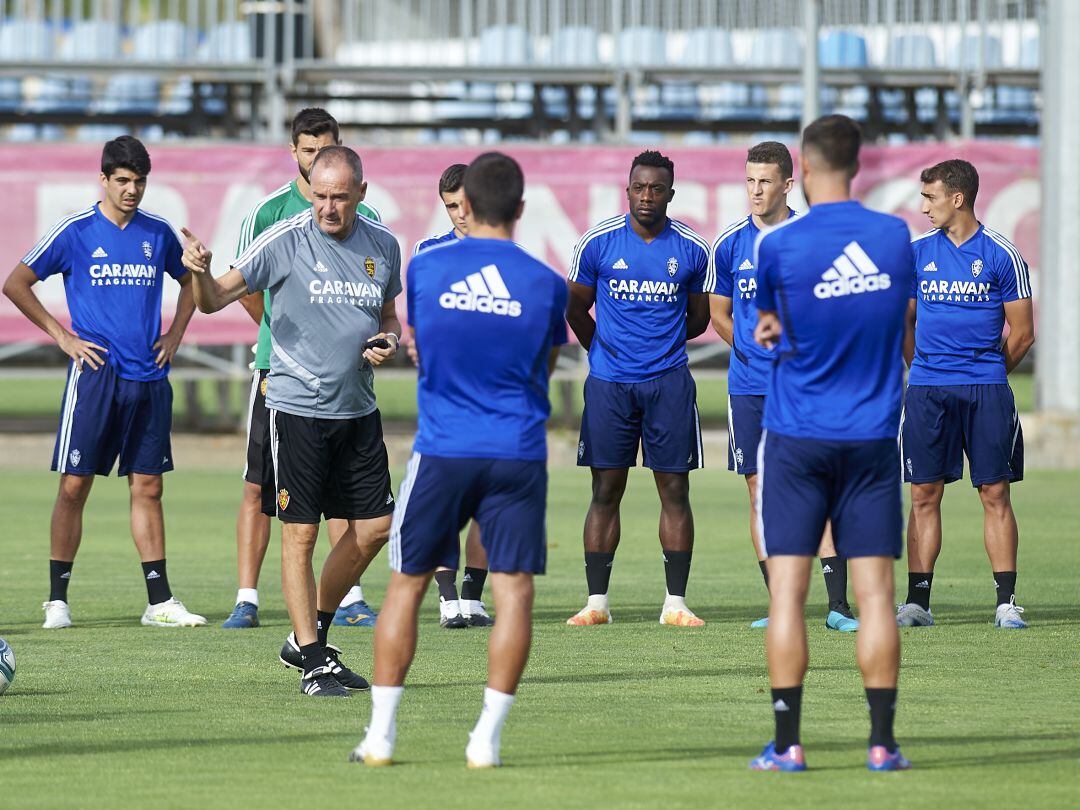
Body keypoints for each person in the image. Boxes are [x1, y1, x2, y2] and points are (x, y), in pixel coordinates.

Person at [351, 152, 566, 768]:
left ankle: (382, 737)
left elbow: (423, 348)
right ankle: (486, 741)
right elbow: (543, 368)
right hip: (518, 452)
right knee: (515, 593)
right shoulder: (548, 286)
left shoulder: (426, 270)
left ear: (464, 205)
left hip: (444, 447)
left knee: (405, 587)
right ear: (521, 210)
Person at [182, 146, 400, 697]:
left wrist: (390, 341)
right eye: (320, 196)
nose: (328, 207)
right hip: (297, 408)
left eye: (339, 198)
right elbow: (213, 301)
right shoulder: (285, 240)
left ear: (361, 195)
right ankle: (313, 664)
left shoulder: (384, 245)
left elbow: (389, 316)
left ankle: (311, 635)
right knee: (300, 535)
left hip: (360, 410)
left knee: (375, 529)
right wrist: (201, 276)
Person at [748, 115, 913, 772]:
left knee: (788, 594)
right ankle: (883, 743)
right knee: (875, 594)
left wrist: (776, 329)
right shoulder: (896, 237)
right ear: (860, 165)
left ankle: (788, 744)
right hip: (872, 438)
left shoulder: (778, 246)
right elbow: (895, 316)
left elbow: (767, 324)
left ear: (805, 170)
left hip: (796, 437)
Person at [3, 135, 205, 629]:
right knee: (75, 485)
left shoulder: (157, 234)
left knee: (148, 486)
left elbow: (190, 283)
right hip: (96, 377)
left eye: (139, 182)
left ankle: (159, 602)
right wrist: (64, 338)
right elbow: (15, 282)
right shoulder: (75, 230)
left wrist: (176, 333)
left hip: (149, 378)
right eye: (123, 181)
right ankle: (57, 600)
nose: (132, 190)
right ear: (104, 179)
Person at [223, 108, 381, 630]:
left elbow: (385, 304)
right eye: (309, 153)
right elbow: (242, 287)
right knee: (260, 488)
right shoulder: (271, 216)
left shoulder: (375, 229)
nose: (317, 163)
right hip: (281, 373)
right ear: (295, 154)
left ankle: (345, 594)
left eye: (325, 150)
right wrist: (285, 330)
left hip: (350, 390)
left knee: (341, 503)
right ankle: (248, 596)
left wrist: (385, 338)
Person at [708, 141, 858, 633]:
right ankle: (783, 605)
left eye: (765, 180)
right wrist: (750, 351)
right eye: (749, 180)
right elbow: (719, 314)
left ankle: (838, 605)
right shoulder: (730, 245)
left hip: (804, 388)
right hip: (749, 387)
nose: (755, 190)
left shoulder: (813, 239)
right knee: (759, 492)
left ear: (788, 184)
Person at [564, 150, 710, 628]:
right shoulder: (598, 243)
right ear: (627, 190)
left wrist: (657, 343)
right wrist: (602, 350)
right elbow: (575, 309)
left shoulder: (691, 248)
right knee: (606, 488)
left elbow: (699, 318)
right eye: (639, 188)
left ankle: (675, 602)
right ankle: (597, 602)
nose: (647, 196)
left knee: (675, 489)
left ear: (671, 192)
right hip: (609, 384)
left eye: (657, 189)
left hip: (668, 383)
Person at [898, 159, 1035, 630]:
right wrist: (926, 369)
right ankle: (917, 603)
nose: (923, 207)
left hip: (986, 390)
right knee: (923, 494)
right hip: (928, 390)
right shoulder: (916, 254)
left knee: (995, 492)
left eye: (930, 197)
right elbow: (905, 323)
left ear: (958, 198)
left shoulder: (1001, 254)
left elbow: (1021, 333)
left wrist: (989, 370)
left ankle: (1006, 602)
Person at [411, 163, 493, 630]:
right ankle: (446, 600)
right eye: (450, 207)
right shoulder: (429, 252)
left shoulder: (507, 253)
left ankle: (473, 598)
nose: (459, 214)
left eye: (464, 204)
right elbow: (419, 323)